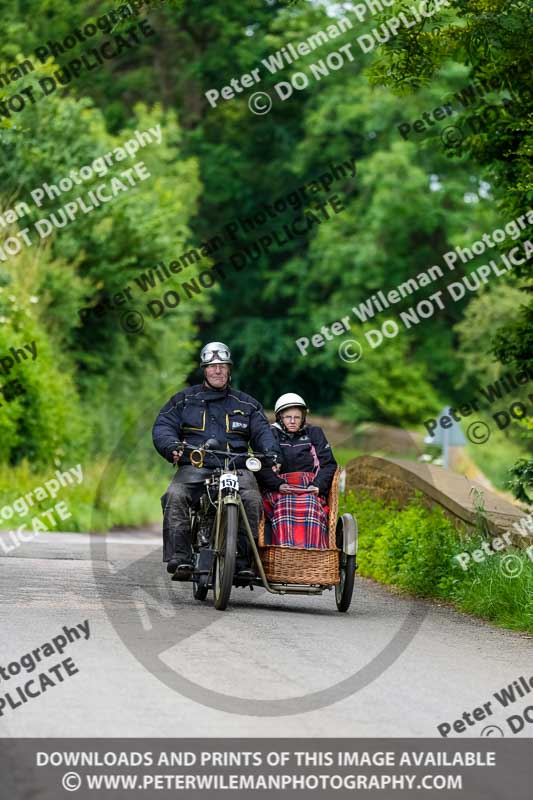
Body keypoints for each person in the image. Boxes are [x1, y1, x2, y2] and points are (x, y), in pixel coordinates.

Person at [152, 342, 280, 579]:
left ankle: (241, 562)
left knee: (252, 500)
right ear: (204, 370)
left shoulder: (248, 405)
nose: (217, 370)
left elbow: (264, 432)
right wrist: (171, 446)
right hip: (196, 466)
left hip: (237, 468)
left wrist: (271, 453)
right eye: (212, 366)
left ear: (229, 369)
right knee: (174, 496)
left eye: (222, 366)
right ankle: (181, 557)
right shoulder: (183, 400)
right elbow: (164, 426)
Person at [258, 393, 337, 549]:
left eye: (297, 417)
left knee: (310, 505)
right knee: (284, 505)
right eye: (288, 417)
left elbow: (329, 464)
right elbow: (261, 465)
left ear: (303, 418)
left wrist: (317, 485)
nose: (293, 421)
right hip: (278, 488)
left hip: (310, 488)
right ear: (280, 417)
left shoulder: (314, 433)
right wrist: (278, 484)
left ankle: (311, 554)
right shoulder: (270, 434)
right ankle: (284, 553)